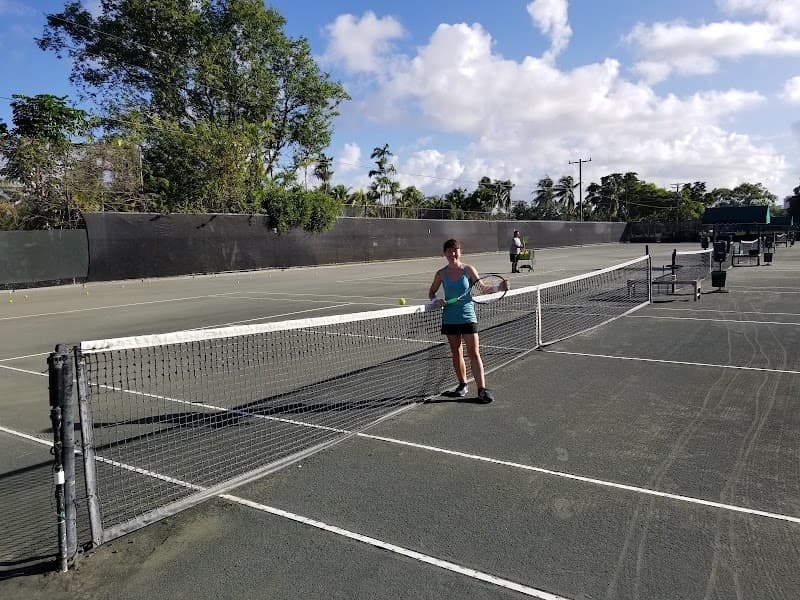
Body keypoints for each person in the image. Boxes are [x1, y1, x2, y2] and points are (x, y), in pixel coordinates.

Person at [428, 239, 505, 403]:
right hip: (449, 318)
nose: (452, 253)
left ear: (460, 252)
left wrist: (500, 287)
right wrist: (436, 301)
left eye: (455, 250)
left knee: (474, 353)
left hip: (467, 316)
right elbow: (432, 293)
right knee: (456, 353)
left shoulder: (468, 270)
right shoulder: (441, 273)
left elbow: (483, 289)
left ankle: (482, 390)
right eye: (449, 250)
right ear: (445, 253)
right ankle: (462, 385)